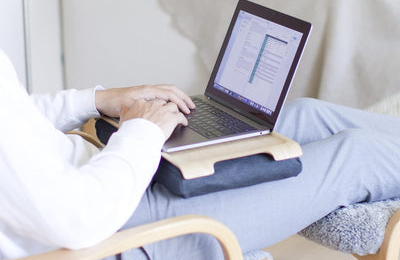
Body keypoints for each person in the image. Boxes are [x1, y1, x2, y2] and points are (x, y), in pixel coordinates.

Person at [1, 46, 400, 260]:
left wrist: (97, 99)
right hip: (120, 231)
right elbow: (77, 221)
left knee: (307, 113)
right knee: (355, 154)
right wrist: (143, 130)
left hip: (112, 177)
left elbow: (15, 114)